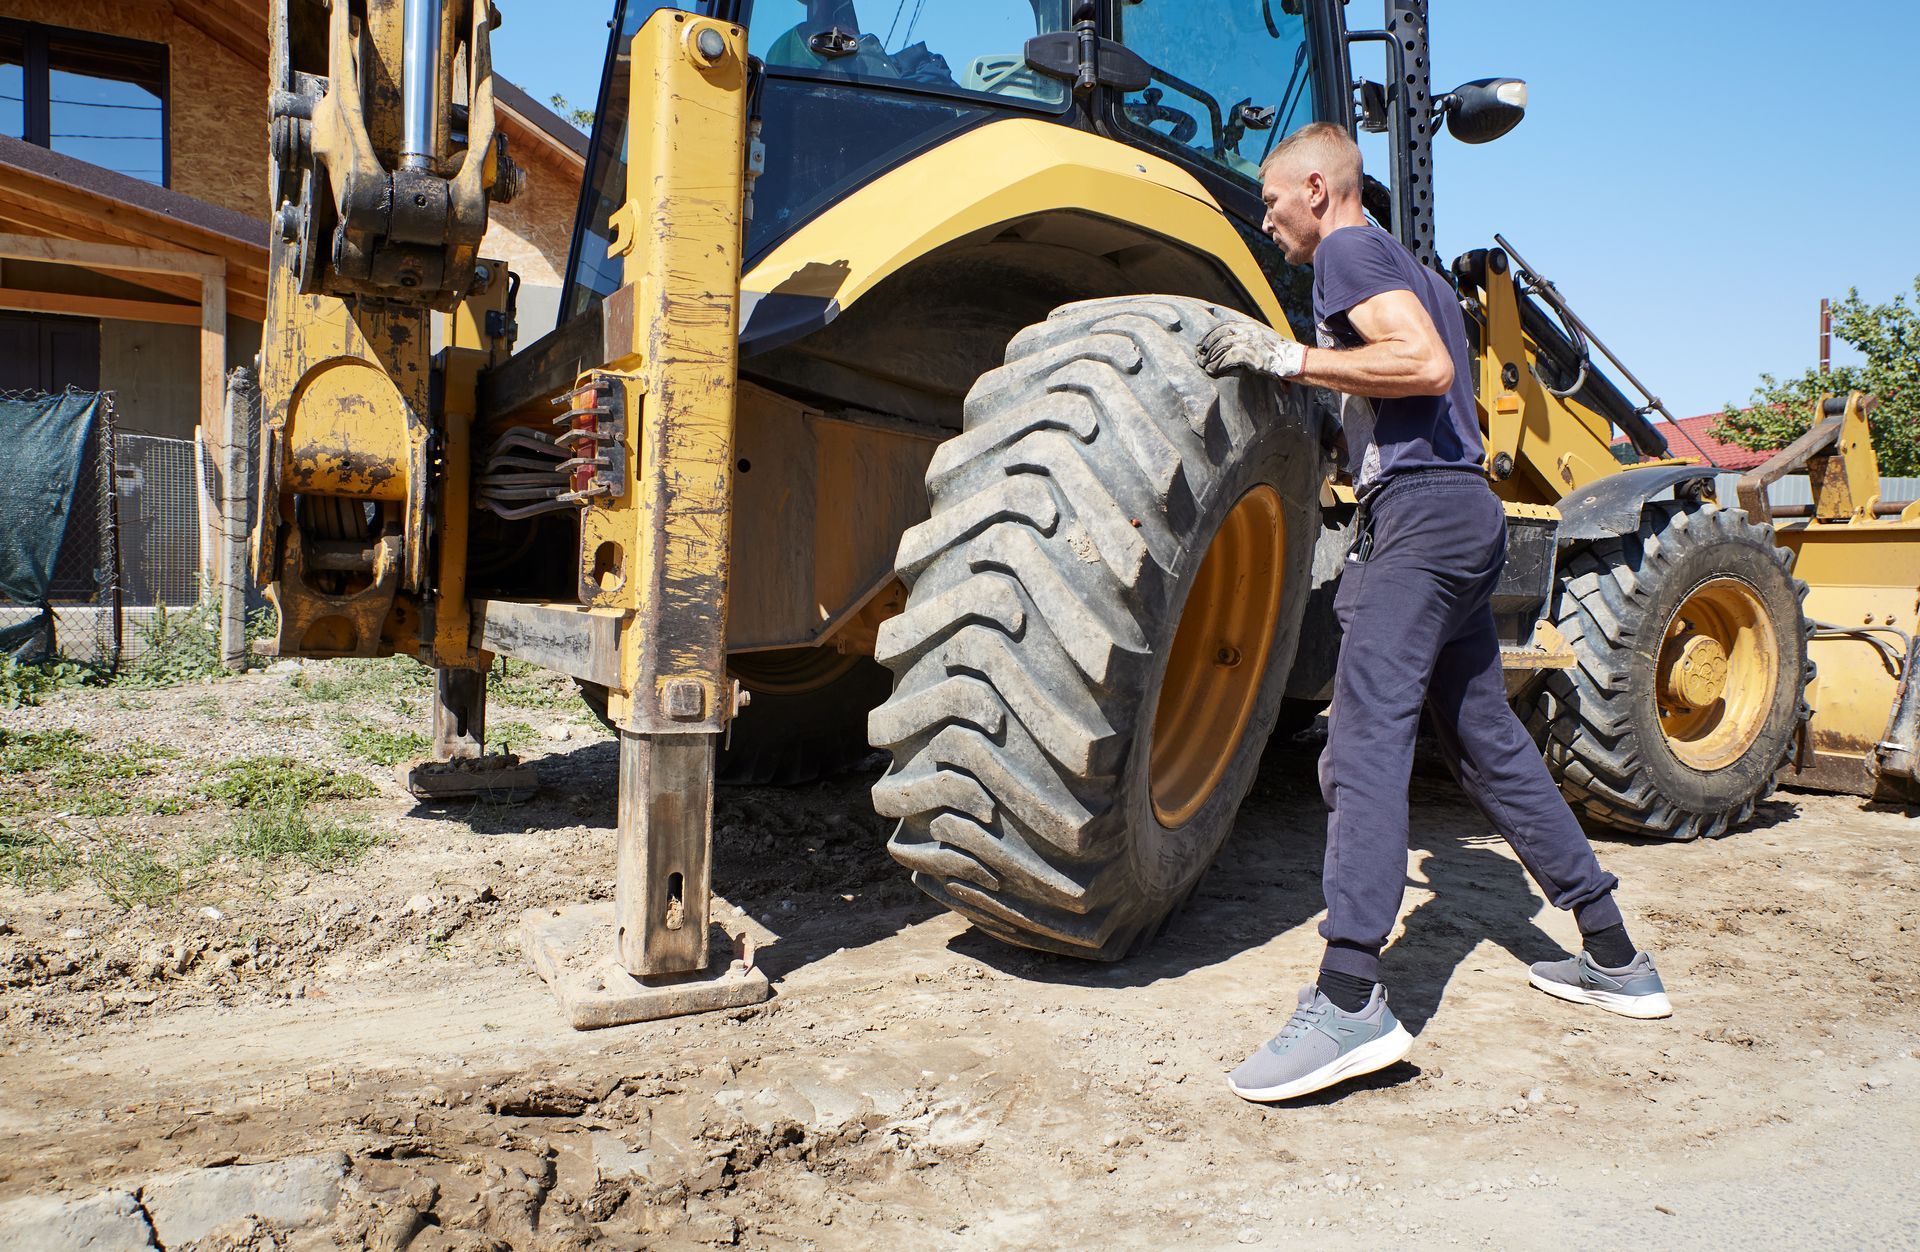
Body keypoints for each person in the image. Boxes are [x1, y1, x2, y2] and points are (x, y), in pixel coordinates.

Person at [1196, 122, 1670, 1105]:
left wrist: (1286, 360)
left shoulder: (1348, 253)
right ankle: (1616, 952)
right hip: (1466, 515)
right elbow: (1411, 381)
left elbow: (1422, 369)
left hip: (1419, 518)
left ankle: (1349, 995)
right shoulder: (1410, 269)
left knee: (1362, 737)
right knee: (1486, 736)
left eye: (1274, 199)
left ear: (1318, 188)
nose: (1268, 215)